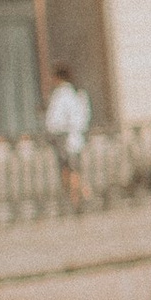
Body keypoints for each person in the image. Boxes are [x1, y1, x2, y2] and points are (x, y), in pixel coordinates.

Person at [43, 66, 91, 210]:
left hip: (65, 136)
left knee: (69, 169)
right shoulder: (76, 94)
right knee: (72, 168)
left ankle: (76, 198)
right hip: (72, 136)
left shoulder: (63, 95)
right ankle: (80, 195)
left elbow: (56, 119)